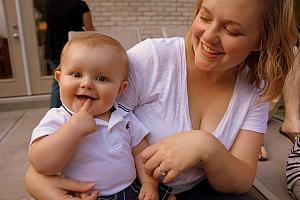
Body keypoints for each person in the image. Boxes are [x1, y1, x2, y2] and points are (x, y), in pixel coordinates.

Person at [24, 0, 299, 199]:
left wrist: (206, 146)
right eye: (204, 16)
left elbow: (240, 181)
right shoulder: (151, 60)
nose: (209, 36)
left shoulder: (255, 89)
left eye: (232, 31)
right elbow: (77, 123)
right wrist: (36, 179)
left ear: (262, 40)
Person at [28, 32, 174, 200]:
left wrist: (149, 184)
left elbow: (141, 154)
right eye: (76, 74)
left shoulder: (124, 117)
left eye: (101, 78)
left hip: (132, 188)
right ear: (59, 80)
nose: (87, 84)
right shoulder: (58, 118)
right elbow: (41, 165)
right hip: (91, 195)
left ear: (120, 89)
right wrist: (73, 129)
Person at [44, 0, 95, 108]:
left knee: (57, 83)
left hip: (53, 47)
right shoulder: (80, 4)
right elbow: (90, 30)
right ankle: (75, 109)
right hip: (74, 48)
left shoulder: (49, 4)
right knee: (80, 79)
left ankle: (54, 113)